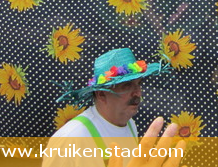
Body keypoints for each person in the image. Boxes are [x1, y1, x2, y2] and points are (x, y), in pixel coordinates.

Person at [42, 48, 183, 167]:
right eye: (127, 85)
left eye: (138, 84)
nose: (138, 93)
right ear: (101, 94)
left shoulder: (130, 124)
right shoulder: (71, 138)